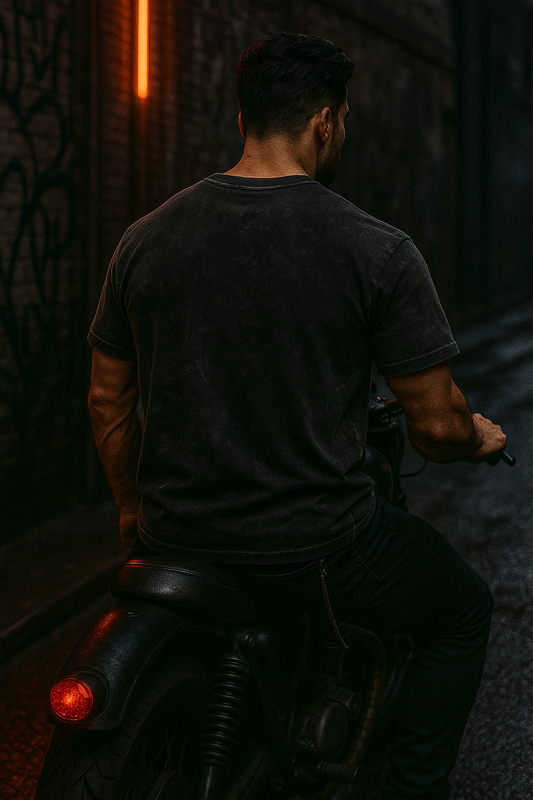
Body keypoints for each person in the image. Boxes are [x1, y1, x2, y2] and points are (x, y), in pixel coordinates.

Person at [87, 32, 506, 800]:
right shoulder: (373, 250)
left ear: (242, 118)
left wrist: (132, 510)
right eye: (341, 120)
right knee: (461, 611)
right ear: (323, 121)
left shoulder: (143, 241)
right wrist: (477, 435)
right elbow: (438, 428)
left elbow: (108, 397)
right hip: (317, 546)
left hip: (175, 536)